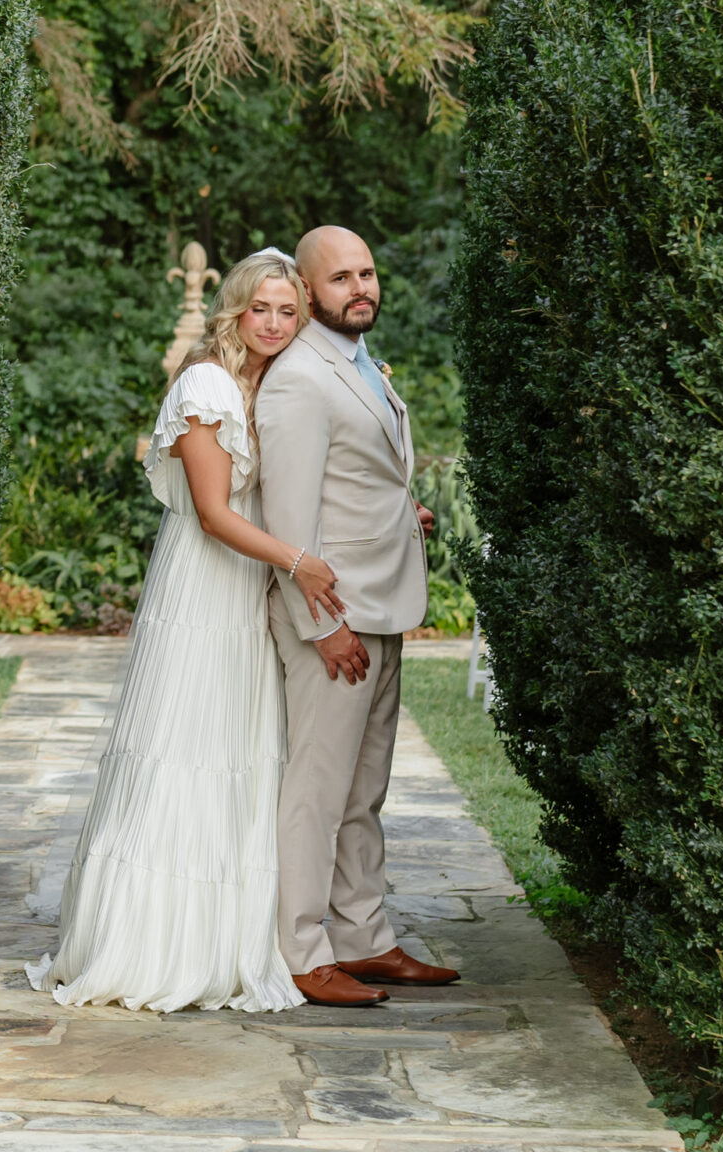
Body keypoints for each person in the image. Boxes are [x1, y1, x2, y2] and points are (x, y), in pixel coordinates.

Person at [27, 251, 338, 1012]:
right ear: (234, 310)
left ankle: (231, 936)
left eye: (287, 311)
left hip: (249, 595)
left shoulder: (275, 385)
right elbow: (214, 513)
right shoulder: (205, 384)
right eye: (260, 309)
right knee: (185, 750)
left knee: (240, 755)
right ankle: (150, 945)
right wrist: (299, 563)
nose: (272, 323)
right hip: (205, 591)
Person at [254, 225, 461, 1007]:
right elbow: (290, 520)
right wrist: (321, 626)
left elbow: (354, 475)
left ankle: (364, 938)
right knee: (317, 789)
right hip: (333, 620)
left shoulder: (358, 362)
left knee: (363, 789)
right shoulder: (301, 378)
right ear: (308, 292)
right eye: (341, 277)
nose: (360, 288)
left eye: (368, 272)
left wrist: (404, 513)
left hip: (380, 603)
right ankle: (303, 952)